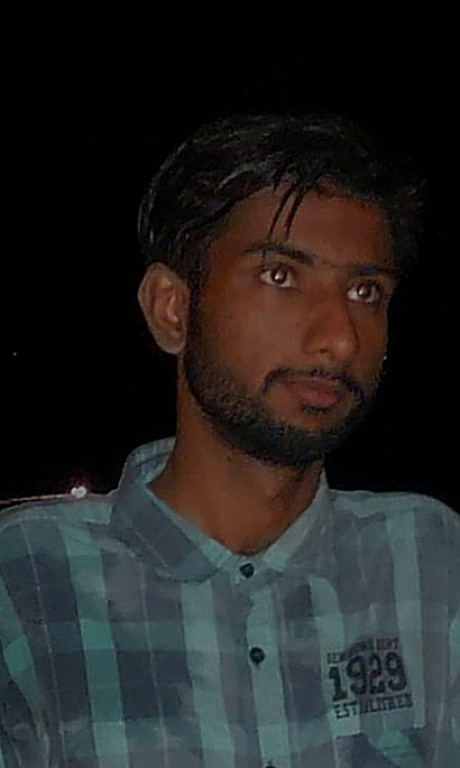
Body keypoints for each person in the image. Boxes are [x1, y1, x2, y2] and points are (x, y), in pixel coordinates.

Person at [0, 114, 458, 768]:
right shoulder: (27, 581)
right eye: (281, 276)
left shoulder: (431, 561)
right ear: (173, 309)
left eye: (365, 291)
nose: (340, 337)